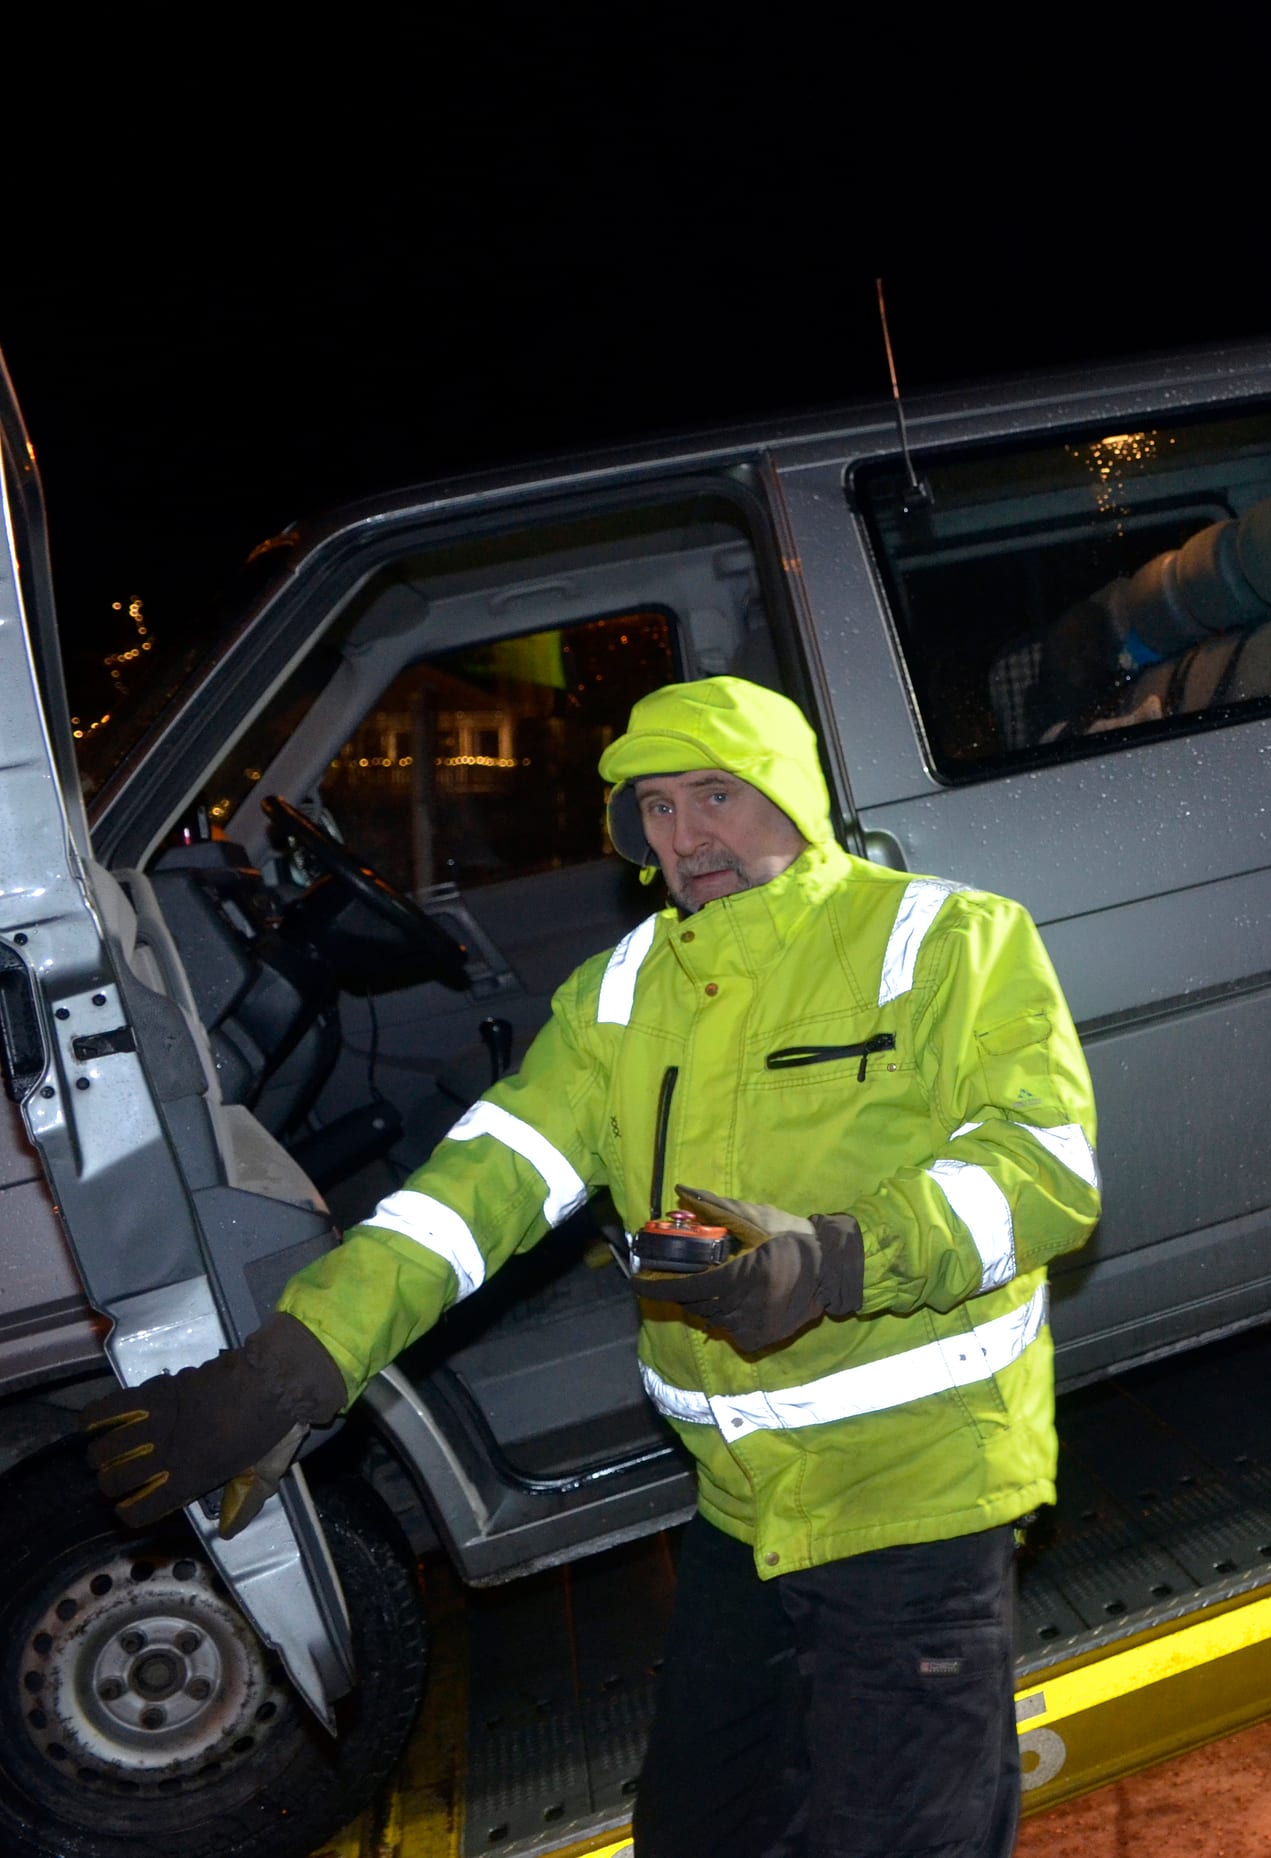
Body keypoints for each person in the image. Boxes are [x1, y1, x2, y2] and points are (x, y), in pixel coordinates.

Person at [80, 675, 1097, 1858]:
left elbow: (1042, 1170)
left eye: (715, 794)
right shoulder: (622, 993)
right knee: (696, 1833)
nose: (686, 835)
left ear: (790, 795)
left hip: (914, 1492)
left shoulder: (945, 938)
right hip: (744, 1506)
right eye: (656, 808)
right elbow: (480, 1190)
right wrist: (302, 1358)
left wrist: (833, 1259)